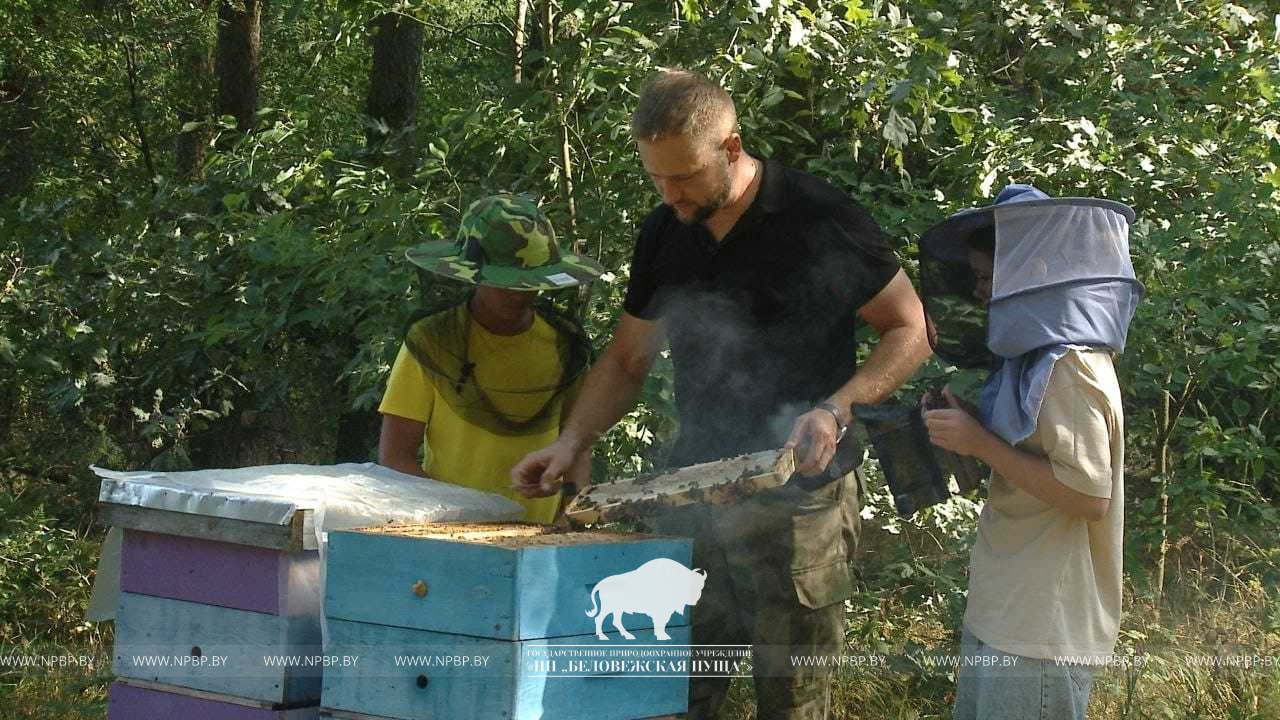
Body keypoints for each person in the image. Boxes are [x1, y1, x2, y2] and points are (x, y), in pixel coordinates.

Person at [511, 70, 930, 719]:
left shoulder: (821, 218)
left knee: (792, 703)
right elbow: (626, 361)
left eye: (683, 176)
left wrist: (835, 409)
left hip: (801, 501)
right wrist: (573, 440)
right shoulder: (663, 233)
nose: (670, 193)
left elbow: (910, 329)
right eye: (656, 176)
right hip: (697, 493)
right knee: (674, 696)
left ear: (731, 149)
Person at [922, 185, 1139, 719]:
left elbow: (1090, 495)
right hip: (1007, 610)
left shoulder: (1070, 368)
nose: (978, 293)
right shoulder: (1032, 361)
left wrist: (979, 442)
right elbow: (1031, 456)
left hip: (1040, 628)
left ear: (1032, 270)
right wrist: (974, 427)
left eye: (985, 278)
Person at [378, 194, 605, 524]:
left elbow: (578, 444)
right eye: (506, 283)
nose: (520, 294)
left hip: (542, 539)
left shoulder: (563, 345)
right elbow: (395, 456)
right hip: (448, 534)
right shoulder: (433, 340)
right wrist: (456, 519)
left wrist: (571, 515)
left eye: (530, 284)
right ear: (475, 276)